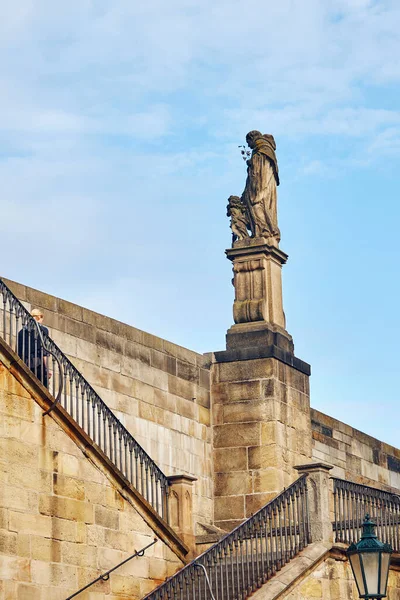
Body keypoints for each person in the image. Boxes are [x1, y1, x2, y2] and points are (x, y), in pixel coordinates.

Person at [241, 130, 281, 244]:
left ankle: (264, 230)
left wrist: (251, 162)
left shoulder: (262, 149)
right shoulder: (264, 149)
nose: (248, 145)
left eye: (248, 142)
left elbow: (259, 168)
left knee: (256, 204)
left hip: (261, 185)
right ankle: (261, 230)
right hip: (265, 184)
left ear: (252, 138)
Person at [17, 308, 50, 387]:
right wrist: (46, 370)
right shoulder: (43, 330)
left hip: (25, 363)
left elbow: (19, 351)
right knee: (43, 389)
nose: (42, 320)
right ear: (39, 317)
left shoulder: (21, 332)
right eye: (42, 318)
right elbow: (44, 351)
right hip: (38, 363)